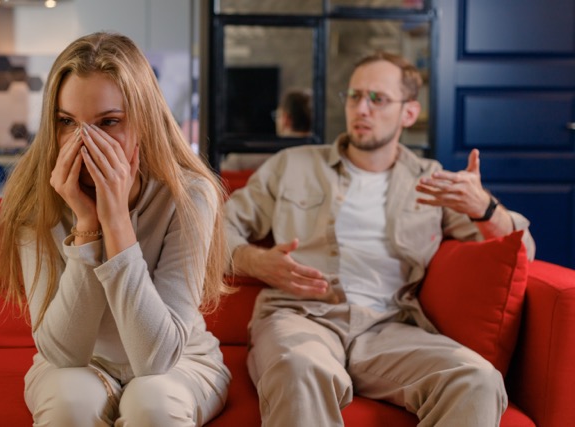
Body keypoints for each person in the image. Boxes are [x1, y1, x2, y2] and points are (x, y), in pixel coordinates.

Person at [223, 51, 535, 427]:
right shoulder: (293, 164)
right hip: (301, 317)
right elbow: (216, 228)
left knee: (477, 379)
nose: (362, 109)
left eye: (378, 99)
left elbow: (522, 251)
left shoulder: (431, 181)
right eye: (354, 96)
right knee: (299, 368)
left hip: (390, 328)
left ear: (408, 113)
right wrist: (256, 262)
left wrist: (484, 207)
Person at [0, 32, 231, 426]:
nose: (85, 144)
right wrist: (88, 229)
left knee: (151, 404)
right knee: (69, 403)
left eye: (109, 122)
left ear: (144, 122)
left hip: (180, 361)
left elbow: (156, 357)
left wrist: (117, 222)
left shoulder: (190, 195)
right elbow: (63, 352)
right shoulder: (32, 198)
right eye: (67, 122)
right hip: (78, 364)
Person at [221, 88, 312, 171]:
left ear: (285, 119)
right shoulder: (318, 155)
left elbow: (224, 172)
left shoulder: (251, 156)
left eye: (278, 115)